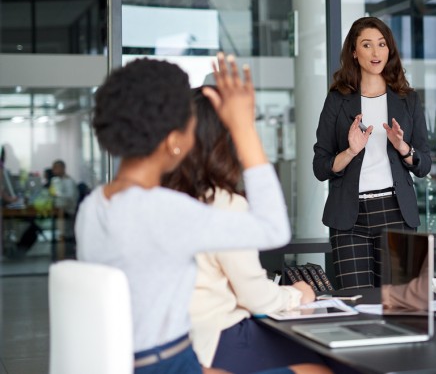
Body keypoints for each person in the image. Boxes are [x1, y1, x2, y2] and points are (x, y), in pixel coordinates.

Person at [76, 53, 293, 374]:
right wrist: (243, 127)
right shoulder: (165, 211)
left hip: (129, 361)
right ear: (174, 141)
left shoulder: (92, 205)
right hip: (168, 365)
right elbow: (275, 229)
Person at [162, 88, 331, 374]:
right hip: (218, 339)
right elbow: (254, 297)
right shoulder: (224, 205)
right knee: (327, 362)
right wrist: (297, 293)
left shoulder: (160, 200)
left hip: (179, 342)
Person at [313, 16, 432, 290]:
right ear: (354, 52)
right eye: (367, 45)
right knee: (358, 309)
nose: (376, 52)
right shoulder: (337, 99)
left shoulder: (407, 99)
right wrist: (351, 151)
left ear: (389, 50)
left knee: (402, 308)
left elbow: (424, 164)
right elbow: (320, 167)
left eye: (381, 44)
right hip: (350, 218)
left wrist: (404, 148)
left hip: (397, 213)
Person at [49, 159, 79, 241]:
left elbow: (69, 198)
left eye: (56, 167)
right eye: (53, 168)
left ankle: (63, 240)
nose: (53, 170)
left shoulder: (69, 181)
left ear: (62, 168)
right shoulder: (57, 180)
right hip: (61, 208)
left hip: (68, 210)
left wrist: (56, 195)